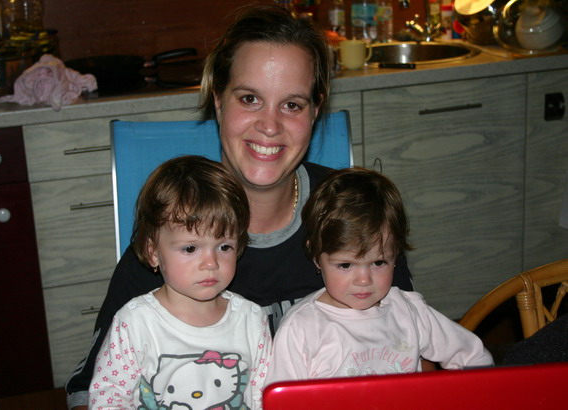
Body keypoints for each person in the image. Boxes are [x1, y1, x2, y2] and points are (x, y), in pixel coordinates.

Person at [66, 6, 413, 408]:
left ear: (315, 110)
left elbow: (414, 348)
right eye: (250, 98)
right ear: (218, 100)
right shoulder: (176, 230)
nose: (270, 125)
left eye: (292, 105)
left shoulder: (357, 215)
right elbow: (92, 393)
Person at [266, 168, 493, 383]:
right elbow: (281, 399)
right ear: (316, 256)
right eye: (345, 265)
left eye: (378, 262)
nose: (364, 280)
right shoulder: (300, 328)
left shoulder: (410, 311)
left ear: (396, 256)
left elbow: (474, 357)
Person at [88, 155, 272, 409]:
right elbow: (108, 397)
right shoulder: (135, 322)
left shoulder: (251, 319)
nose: (211, 263)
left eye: (224, 247)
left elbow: (264, 396)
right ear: (154, 252)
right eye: (190, 249)